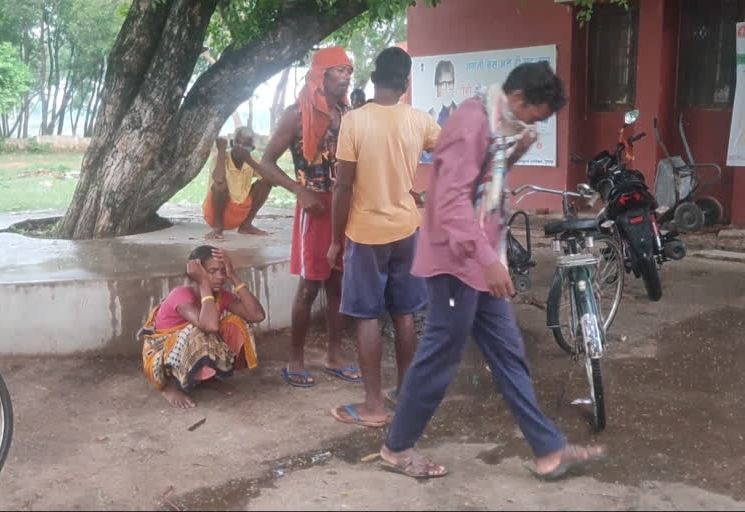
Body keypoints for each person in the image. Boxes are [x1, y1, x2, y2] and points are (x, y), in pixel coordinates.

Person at [378, 62, 606, 479]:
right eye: (533, 116)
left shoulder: (495, 118)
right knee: (438, 359)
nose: (530, 124)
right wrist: (487, 261)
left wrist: (515, 152)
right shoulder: (471, 123)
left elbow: (482, 181)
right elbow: (449, 204)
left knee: (509, 353)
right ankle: (396, 448)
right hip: (455, 263)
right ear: (518, 100)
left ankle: (548, 451)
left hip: (480, 258)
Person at [327, 47, 440, 428]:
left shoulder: (355, 122)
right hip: (408, 230)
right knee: (404, 313)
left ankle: (374, 406)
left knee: (367, 317)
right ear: (406, 82)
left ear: (374, 79)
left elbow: (343, 187)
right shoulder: (420, 121)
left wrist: (335, 240)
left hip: (366, 231)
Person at [258, 47, 361, 387]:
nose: (346, 76)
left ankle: (334, 355)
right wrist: (300, 191)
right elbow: (266, 162)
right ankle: (295, 360)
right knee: (308, 287)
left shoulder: (347, 113)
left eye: (348, 70)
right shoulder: (295, 114)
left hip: (344, 206)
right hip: (314, 208)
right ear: (320, 75)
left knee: (338, 285)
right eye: (338, 70)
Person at [140, 246, 266, 408]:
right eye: (212, 271)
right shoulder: (180, 295)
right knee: (199, 330)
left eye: (222, 271)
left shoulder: (220, 296)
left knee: (234, 324)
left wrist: (233, 276)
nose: (220, 276)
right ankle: (168, 386)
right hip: (161, 358)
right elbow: (209, 325)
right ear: (196, 274)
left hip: (186, 349)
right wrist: (203, 283)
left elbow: (256, 315)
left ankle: (206, 378)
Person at [204, 127, 273, 238]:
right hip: (216, 214)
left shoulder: (252, 159)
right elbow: (218, 178)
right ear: (231, 143)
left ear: (252, 148)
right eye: (238, 143)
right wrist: (221, 151)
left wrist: (249, 160)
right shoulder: (221, 158)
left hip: (240, 212)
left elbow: (272, 180)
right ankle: (217, 229)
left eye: (246, 145)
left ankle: (246, 225)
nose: (241, 148)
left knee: (265, 182)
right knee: (220, 185)